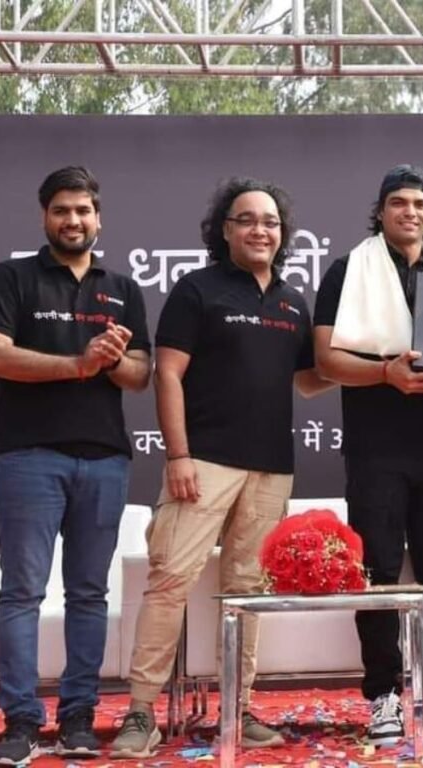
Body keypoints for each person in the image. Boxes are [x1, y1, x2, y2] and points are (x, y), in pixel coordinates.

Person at [111, 178, 331, 758]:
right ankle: (141, 713)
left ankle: (239, 707)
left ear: (282, 234)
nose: (261, 230)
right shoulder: (197, 289)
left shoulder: (292, 302)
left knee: (246, 592)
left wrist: (365, 357)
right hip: (202, 463)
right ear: (224, 230)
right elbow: (168, 373)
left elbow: (309, 381)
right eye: (247, 219)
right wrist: (178, 455)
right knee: (170, 583)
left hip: (271, 470)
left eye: (271, 222)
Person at [0, 166, 152, 764]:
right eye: (61, 211)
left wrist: (111, 359)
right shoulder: (13, 277)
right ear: (45, 217)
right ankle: (21, 722)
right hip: (28, 455)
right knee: (22, 591)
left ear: (99, 218)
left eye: (82, 211)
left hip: (104, 459)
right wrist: (78, 363)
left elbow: (141, 374)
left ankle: (78, 717)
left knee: (89, 594)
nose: (73, 221)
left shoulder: (123, 288)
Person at [313, 165, 423, 746]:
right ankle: (384, 696)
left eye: (419, 203)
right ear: (381, 211)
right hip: (376, 446)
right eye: (398, 202)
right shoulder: (348, 269)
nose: (409, 211)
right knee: (377, 573)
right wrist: (386, 374)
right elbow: (326, 361)